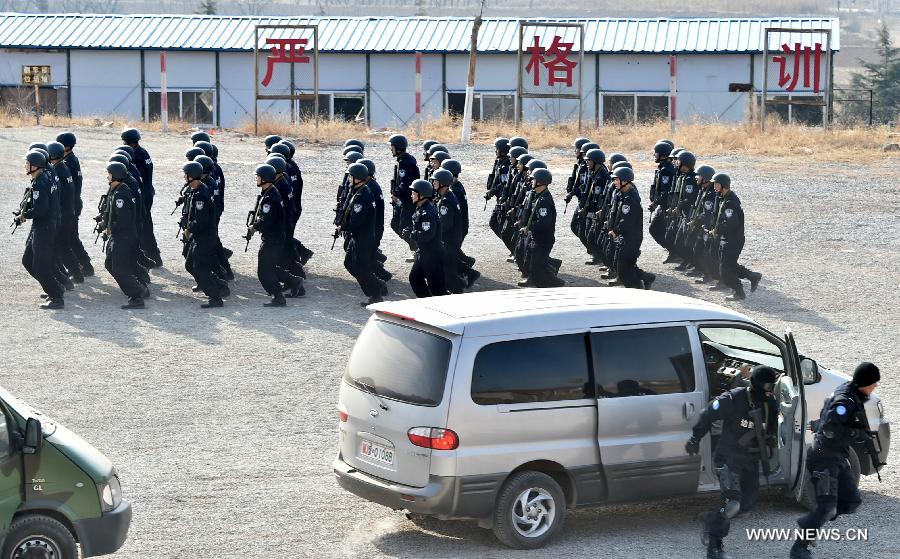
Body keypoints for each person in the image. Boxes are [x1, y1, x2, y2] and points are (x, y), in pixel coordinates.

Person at [686, 365, 779, 559]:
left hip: (750, 460)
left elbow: (771, 431)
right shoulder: (734, 398)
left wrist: (770, 439)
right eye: (767, 385)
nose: (769, 390)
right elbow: (707, 414)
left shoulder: (770, 404)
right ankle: (714, 548)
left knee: (746, 504)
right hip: (728, 457)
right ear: (757, 384)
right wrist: (695, 438)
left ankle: (710, 519)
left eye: (772, 385)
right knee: (732, 504)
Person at [790, 362, 881, 559]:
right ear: (864, 383)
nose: (875, 387)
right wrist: (855, 433)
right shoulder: (845, 401)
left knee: (851, 501)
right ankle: (799, 548)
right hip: (824, 458)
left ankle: (812, 523)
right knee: (827, 506)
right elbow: (830, 429)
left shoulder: (850, 391)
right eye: (873, 383)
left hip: (838, 456)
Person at [248, 164, 302, 307]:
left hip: (273, 239)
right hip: (275, 237)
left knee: (263, 271)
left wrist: (254, 226)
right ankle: (293, 281)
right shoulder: (270, 192)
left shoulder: (269, 198)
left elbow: (267, 220)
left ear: (264, 179)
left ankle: (278, 296)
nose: (256, 178)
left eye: (258, 176)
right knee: (270, 266)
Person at [17, 150, 64, 309]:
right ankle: (53, 288)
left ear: (35, 166)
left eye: (27, 163)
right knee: (27, 260)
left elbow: (40, 210)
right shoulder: (45, 177)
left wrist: (24, 216)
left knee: (40, 266)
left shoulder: (39, 183)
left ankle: (56, 296)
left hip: (44, 228)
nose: (25, 165)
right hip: (44, 226)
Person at [336, 163, 386, 306]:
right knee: (349, 263)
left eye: (351, 176)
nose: (349, 179)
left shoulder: (363, 195)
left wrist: (343, 226)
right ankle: (375, 287)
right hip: (357, 236)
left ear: (357, 178)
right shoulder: (359, 190)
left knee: (361, 266)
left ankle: (376, 294)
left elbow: (356, 221)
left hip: (363, 237)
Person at [708, 173, 762, 301]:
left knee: (725, 270)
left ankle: (739, 292)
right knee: (729, 265)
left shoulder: (731, 202)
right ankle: (752, 276)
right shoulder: (722, 198)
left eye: (716, 184)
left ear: (724, 186)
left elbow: (730, 224)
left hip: (733, 240)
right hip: (726, 238)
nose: (714, 186)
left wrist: (717, 230)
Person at [104, 161, 148, 309]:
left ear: (115, 175)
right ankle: (137, 288)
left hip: (123, 237)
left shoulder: (121, 195)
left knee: (119, 269)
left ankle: (137, 295)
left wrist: (111, 227)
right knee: (109, 264)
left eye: (109, 174)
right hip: (121, 236)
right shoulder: (119, 189)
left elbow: (124, 220)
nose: (107, 176)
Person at [182, 161, 226, 308]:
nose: (184, 177)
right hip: (200, 236)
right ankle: (219, 284)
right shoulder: (198, 190)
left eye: (185, 175)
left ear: (191, 176)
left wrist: (188, 230)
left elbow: (201, 221)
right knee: (190, 264)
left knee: (200, 268)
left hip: (205, 237)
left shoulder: (200, 195)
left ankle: (215, 297)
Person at [120, 128, 162, 268]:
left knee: (143, 226)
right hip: (147, 192)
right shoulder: (143, 152)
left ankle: (151, 255)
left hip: (142, 195)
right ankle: (151, 254)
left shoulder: (135, 156)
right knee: (145, 224)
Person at [55, 132, 94, 277]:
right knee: (71, 237)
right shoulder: (72, 159)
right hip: (74, 203)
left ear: (66, 146)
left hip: (70, 205)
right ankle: (84, 265)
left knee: (69, 238)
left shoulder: (66, 164)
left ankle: (82, 266)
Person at [520, 168, 564, 288]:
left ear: (540, 181)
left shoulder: (544, 201)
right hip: (537, 236)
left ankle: (555, 283)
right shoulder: (537, 196)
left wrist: (528, 228)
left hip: (543, 239)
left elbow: (543, 223)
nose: (531, 181)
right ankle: (539, 276)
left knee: (537, 268)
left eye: (534, 179)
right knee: (531, 262)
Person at [403, 179, 445, 297]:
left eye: (414, 193)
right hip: (424, 253)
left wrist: (412, 234)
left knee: (437, 290)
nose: (411, 195)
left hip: (433, 256)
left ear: (421, 195)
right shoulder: (421, 208)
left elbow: (427, 235)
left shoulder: (428, 213)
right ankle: (427, 303)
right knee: (415, 279)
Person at [432, 169, 465, 294]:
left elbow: (445, 224)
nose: (433, 183)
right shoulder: (447, 196)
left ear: (443, 183)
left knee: (447, 269)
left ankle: (456, 291)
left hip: (449, 240)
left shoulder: (446, 201)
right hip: (451, 239)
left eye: (436, 181)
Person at [648, 141, 677, 260]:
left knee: (657, 229)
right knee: (657, 229)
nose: (654, 156)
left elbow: (665, 192)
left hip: (666, 206)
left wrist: (655, 203)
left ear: (662, 155)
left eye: (656, 153)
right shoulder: (663, 168)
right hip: (662, 206)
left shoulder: (666, 170)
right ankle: (673, 252)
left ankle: (676, 253)